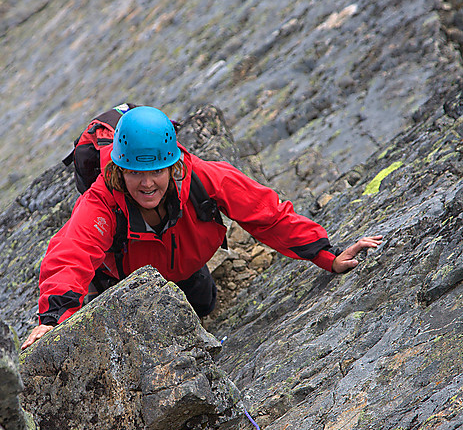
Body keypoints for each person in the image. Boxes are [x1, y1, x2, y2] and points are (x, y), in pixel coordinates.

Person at [21, 106, 382, 349]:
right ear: (119, 170)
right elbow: (70, 254)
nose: (147, 184)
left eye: (156, 172)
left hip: (183, 265)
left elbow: (267, 213)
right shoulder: (102, 202)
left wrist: (328, 255)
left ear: (173, 167)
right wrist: (53, 321)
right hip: (124, 276)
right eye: (135, 173)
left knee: (203, 305)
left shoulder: (203, 179)